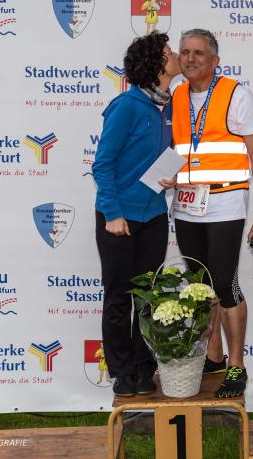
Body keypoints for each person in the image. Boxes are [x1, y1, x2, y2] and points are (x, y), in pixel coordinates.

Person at [171, 28, 253, 398]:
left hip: (226, 204)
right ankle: (213, 357)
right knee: (199, 286)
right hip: (186, 206)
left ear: (215, 60)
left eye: (198, 53)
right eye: (184, 52)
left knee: (225, 284)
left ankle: (237, 366)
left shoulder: (236, 94)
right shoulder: (176, 94)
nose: (190, 58)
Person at [92, 32, 179, 398]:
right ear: (156, 63)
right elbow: (102, 164)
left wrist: (175, 177)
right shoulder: (126, 106)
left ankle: (144, 368)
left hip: (154, 216)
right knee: (118, 298)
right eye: (169, 52)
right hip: (119, 219)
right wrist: (113, 214)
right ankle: (121, 371)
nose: (176, 55)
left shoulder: (171, 107)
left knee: (147, 297)